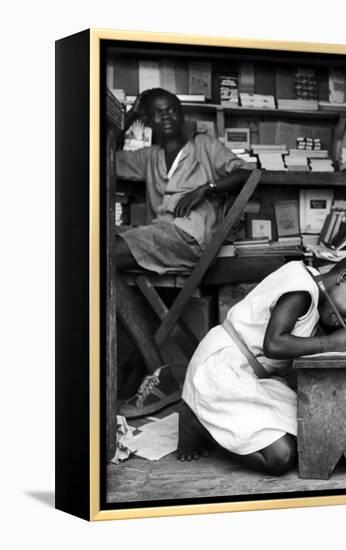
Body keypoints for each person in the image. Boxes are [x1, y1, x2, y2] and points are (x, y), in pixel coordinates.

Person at [177, 255, 346, 475]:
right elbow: (273, 344)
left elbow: (322, 337)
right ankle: (197, 421)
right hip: (220, 371)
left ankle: (212, 420)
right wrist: (329, 343)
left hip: (250, 377)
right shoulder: (301, 291)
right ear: (344, 277)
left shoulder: (316, 292)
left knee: (312, 431)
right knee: (281, 457)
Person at [114, 88, 252, 418]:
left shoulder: (204, 146)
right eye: (157, 113)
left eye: (172, 110)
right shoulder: (148, 157)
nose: (167, 117)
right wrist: (128, 119)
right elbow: (106, 158)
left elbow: (247, 173)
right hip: (158, 237)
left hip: (188, 239)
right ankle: (155, 370)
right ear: (147, 121)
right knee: (99, 258)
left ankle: (158, 371)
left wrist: (208, 187)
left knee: (100, 257)